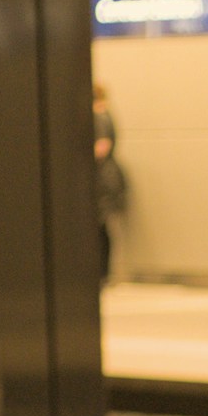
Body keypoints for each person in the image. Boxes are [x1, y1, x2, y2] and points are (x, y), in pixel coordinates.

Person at [92, 89, 127, 284]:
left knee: (100, 226)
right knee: (102, 227)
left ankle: (102, 272)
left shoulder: (100, 117)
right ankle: (103, 272)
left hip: (104, 178)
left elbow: (101, 147)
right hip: (108, 177)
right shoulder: (105, 116)